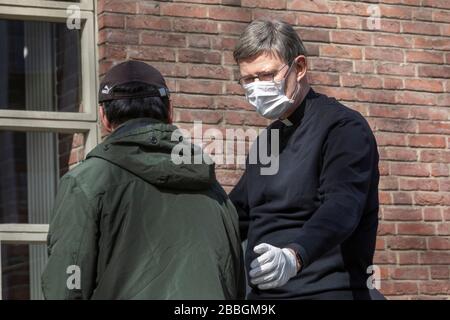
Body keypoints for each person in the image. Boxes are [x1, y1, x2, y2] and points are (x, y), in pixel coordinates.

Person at [41, 60, 245, 300]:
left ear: (103, 117)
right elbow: (234, 284)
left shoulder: (85, 183)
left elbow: (65, 289)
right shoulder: (214, 191)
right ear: (170, 112)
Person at [229, 19, 383, 300]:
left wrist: (294, 255)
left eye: (266, 75)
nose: (257, 87)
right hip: (263, 295)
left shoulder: (342, 128)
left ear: (299, 68)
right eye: (248, 79)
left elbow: (343, 206)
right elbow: (236, 214)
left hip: (324, 290)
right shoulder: (269, 139)